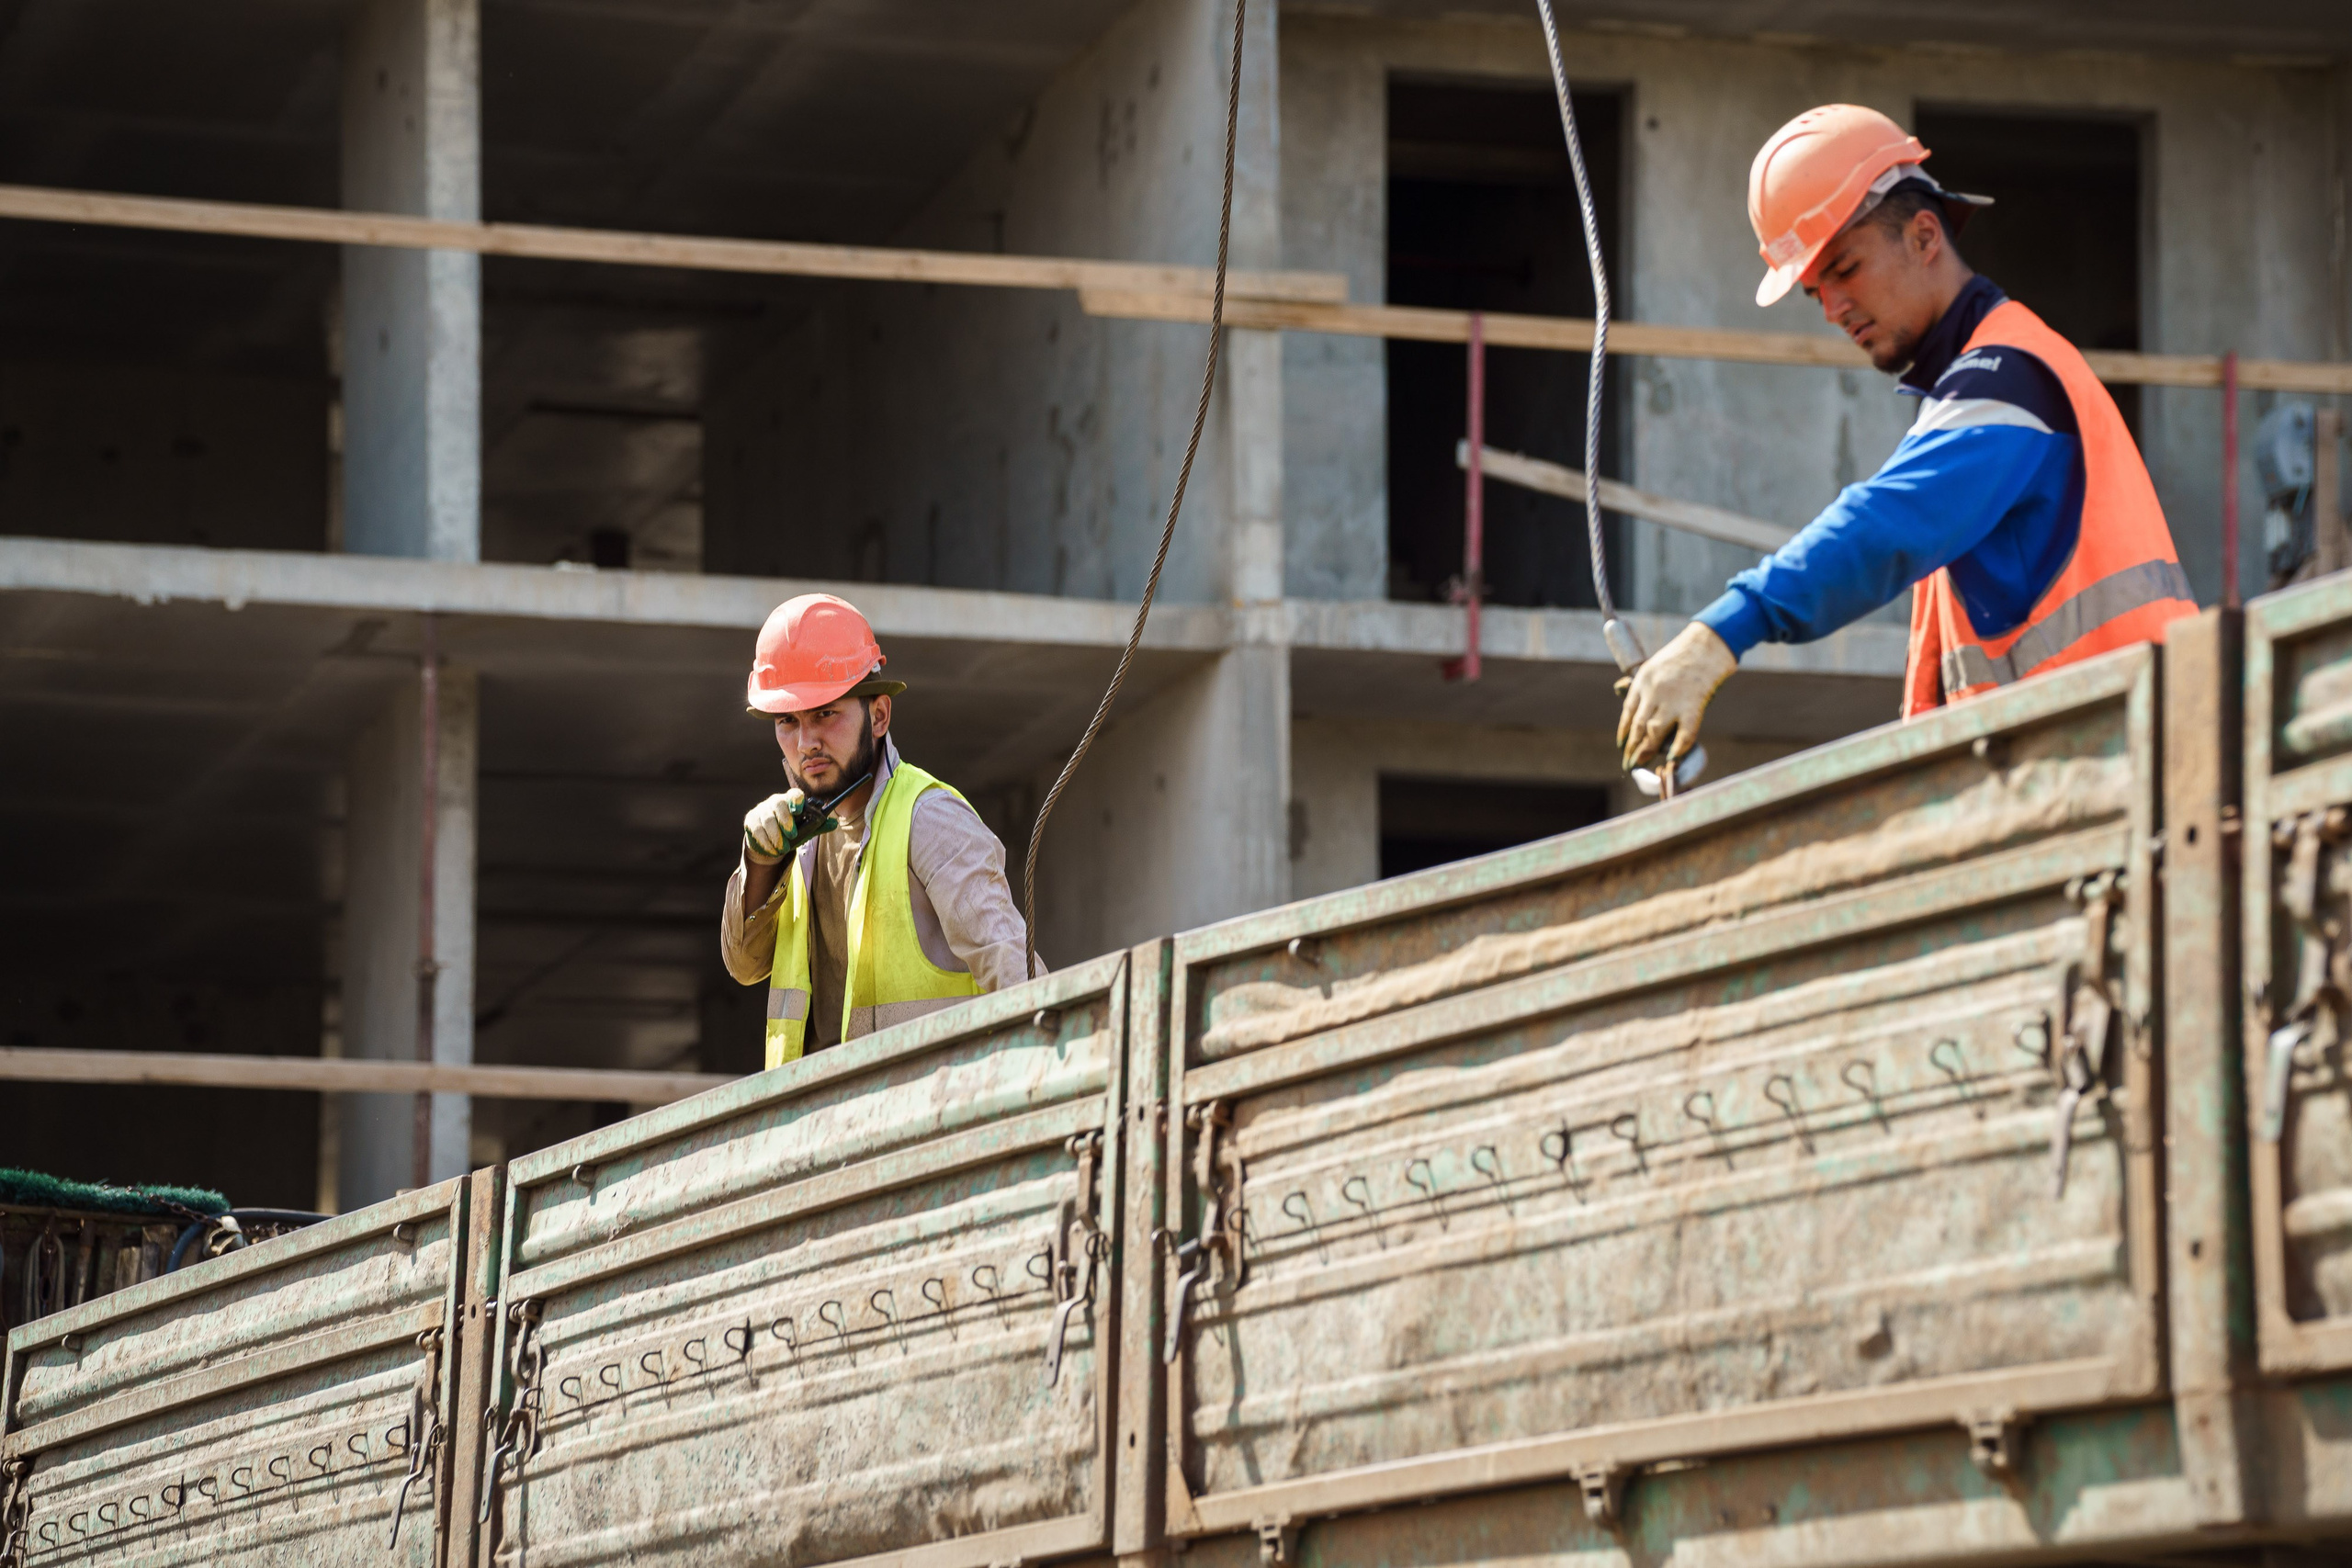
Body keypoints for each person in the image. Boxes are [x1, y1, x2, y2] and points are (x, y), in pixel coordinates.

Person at [1617, 104, 2199, 771]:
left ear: (1925, 236)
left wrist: (1721, 631)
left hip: (2125, 770)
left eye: (1844, 268)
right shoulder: (1971, 390)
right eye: (1814, 292)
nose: (1833, 309)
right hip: (2098, 772)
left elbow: (1886, 525)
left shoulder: (2010, 378)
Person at [720, 592, 1035, 1067]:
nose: (807, 742)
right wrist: (761, 863)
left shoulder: (930, 818)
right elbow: (744, 967)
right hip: (813, 1127)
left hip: (925, 1123)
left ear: (880, 715)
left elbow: (1016, 975)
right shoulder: (797, 839)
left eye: (826, 712)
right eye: (788, 721)